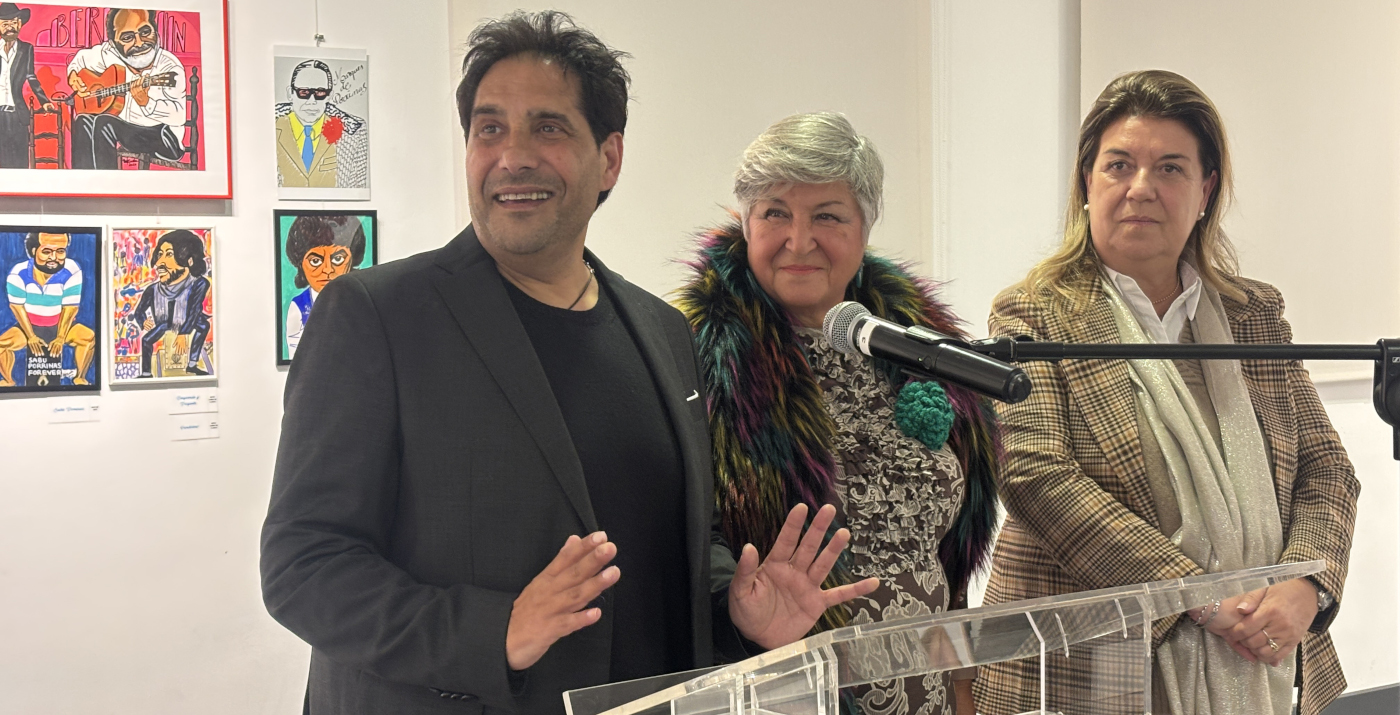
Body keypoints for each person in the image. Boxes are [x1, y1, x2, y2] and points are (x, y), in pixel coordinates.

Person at [260, 12, 874, 715]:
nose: (512, 156)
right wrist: (493, 632)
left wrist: (735, 610)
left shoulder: (664, 332)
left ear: (609, 158)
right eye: (490, 129)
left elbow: (676, 539)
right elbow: (303, 564)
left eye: (547, 128)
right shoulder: (376, 316)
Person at [973, 70, 1359, 715]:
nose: (1141, 188)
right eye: (1119, 165)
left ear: (1205, 190)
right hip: (1087, 668)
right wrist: (1197, 596)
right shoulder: (1034, 313)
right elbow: (1035, 474)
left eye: (1171, 168)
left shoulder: (1254, 314)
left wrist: (1306, 585)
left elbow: (1325, 467)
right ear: (1087, 183)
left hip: (1264, 652)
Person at [675, 112, 1000, 715]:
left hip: (925, 693)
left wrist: (961, 688)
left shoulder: (917, 349)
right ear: (746, 222)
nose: (799, 241)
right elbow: (681, 540)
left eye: (827, 216)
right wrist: (738, 611)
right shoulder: (694, 361)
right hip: (783, 695)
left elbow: (945, 557)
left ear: (865, 227)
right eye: (775, 214)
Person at [66, 8, 185, 170]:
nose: (139, 43)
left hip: (164, 137)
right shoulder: (109, 54)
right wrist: (73, 75)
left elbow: (179, 116)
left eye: (145, 31)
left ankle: (108, 181)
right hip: (127, 130)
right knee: (83, 120)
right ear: (113, 44)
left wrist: (147, 103)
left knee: (104, 122)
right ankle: (84, 177)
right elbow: (80, 59)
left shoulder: (169, 66)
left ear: (155, 29)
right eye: (127, 37)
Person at [1, 232, 95, 386]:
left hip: (60, 325)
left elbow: (70, 308)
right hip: (29, 326)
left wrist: (60, 337)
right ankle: (8, 381)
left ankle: (80, 378)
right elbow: (17, 308)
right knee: (1, 345)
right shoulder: (18, 272)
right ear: (33, 251)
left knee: (88, 338)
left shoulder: (72, 269)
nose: (54, 257)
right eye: (46, 251)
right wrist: (31, 336)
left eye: (60, 251)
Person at [274, 59, 368, 189]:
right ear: (290, 93)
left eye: (320, 93)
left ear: (329, 96)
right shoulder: (269, 128)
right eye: (304, 92)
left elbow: (357, 190)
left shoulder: (353, 135)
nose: (311, 101)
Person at [282, 214, 365, 359]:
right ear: (301, 264)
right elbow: (296, 359)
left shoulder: (361, 301)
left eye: (338, 259)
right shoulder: (299, 306)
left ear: (352, 259)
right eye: (315, 261)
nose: (327, 270)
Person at [130, 230, 211, 377]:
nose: (159, 263)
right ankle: (146, 374)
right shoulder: (153, 289)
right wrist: (143, 321)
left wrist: (183, 333)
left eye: (169, 254)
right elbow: (139, 311)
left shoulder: (199, 284)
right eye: (160, 254)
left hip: (188, 320)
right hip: (165, 322)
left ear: (189, 261)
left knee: (204, 326)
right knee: (146, 340)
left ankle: (192, 364)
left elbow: (194, 312)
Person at [0, 3, 54, 168]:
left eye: (14, 22)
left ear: (20, 24)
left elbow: (31, 77)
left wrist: (44, 101)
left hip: (17, 114)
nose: (10, 27)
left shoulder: (26, 49)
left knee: (19, 161)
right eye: (5, 23)